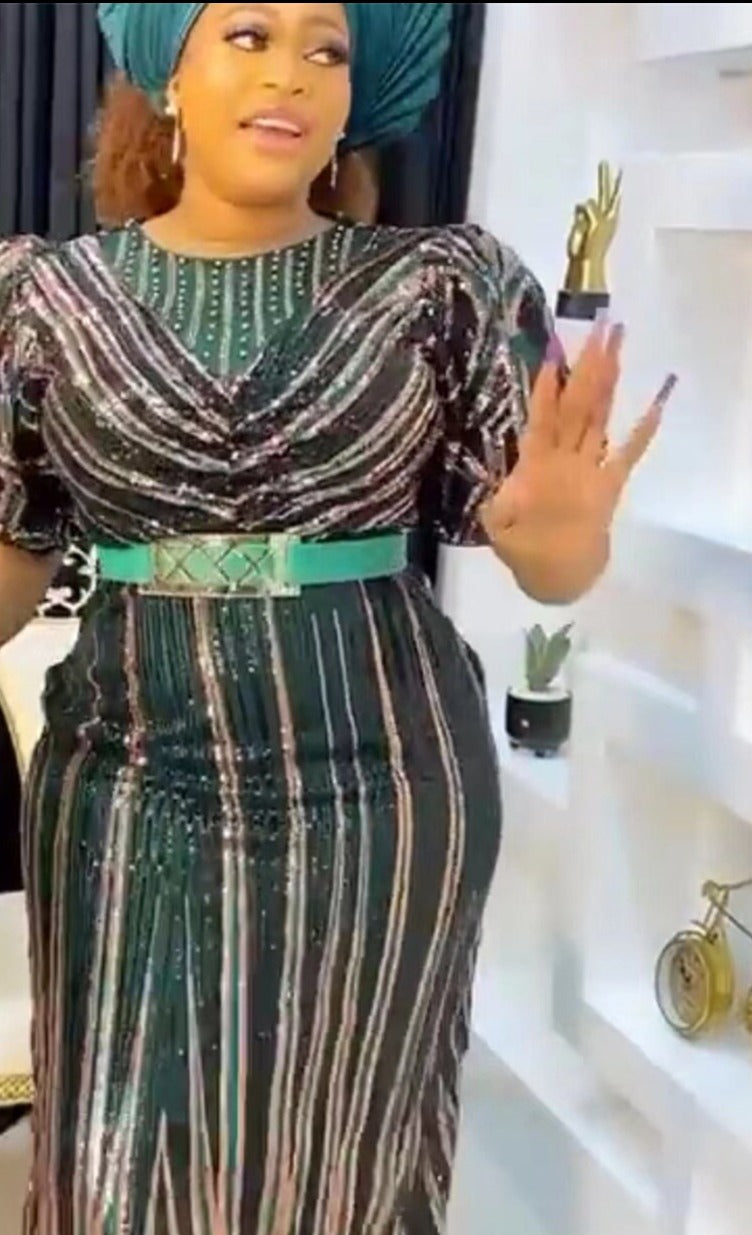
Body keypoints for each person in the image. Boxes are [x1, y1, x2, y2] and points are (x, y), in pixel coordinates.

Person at [0, 4, 675, 1232]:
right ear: (167, 72)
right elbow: (12, 555)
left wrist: (559, 534)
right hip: (125, 772)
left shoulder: (443, 284)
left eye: (326, 51)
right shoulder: (42, 299)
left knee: (346, 1144)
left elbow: (551, 569)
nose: (292, 75)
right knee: (117, 1148)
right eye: (249, 35)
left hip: (382, 776)